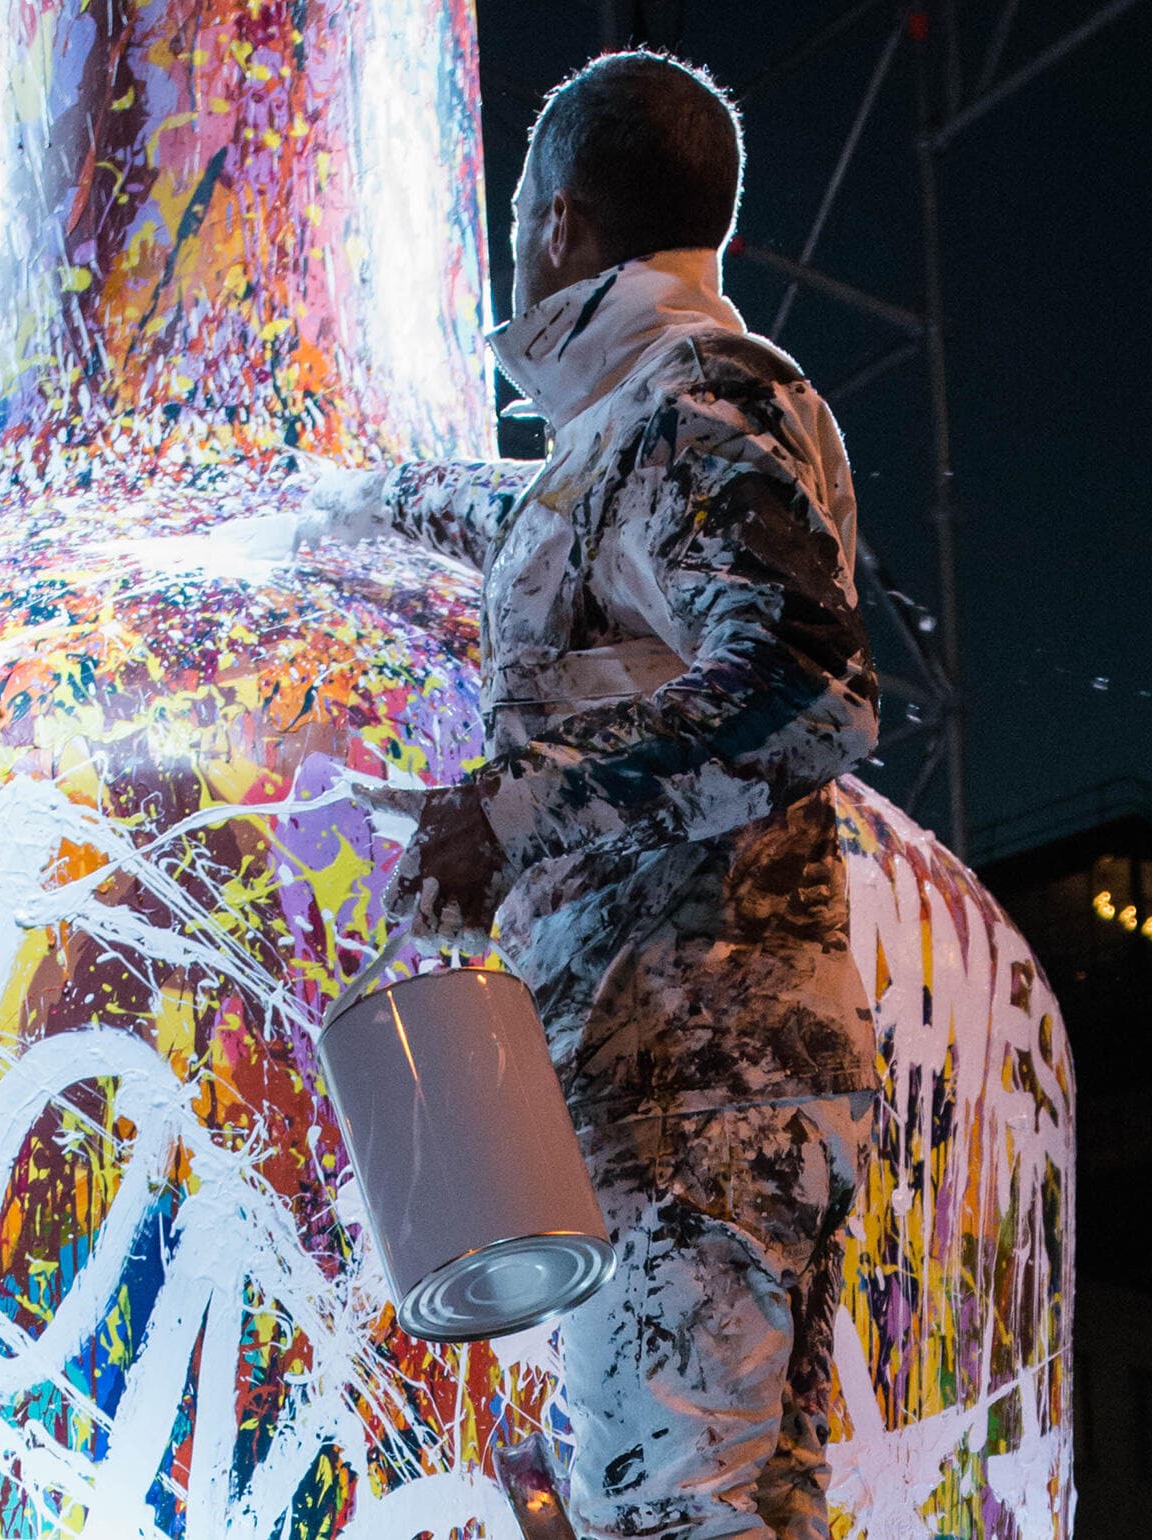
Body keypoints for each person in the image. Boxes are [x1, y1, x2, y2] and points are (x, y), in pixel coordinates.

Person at [300, 50, 881, 1540]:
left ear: (556, 221)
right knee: (730, 1514)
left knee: (664, 1518)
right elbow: (560, 523)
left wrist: (507, 813)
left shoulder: (699, 403)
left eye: (517, 221)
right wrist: (348, 505)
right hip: (710, 1082)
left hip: (693, 1078)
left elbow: (806, 682)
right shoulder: (647, 426)